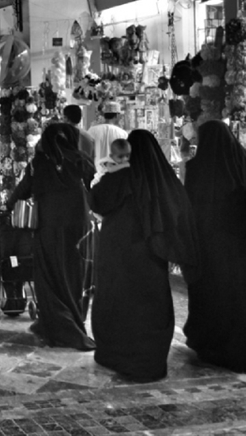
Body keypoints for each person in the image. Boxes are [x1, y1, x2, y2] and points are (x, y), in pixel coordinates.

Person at [90, 130, 200, 382]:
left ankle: (116, 352)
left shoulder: (118, 177)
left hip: (117, 253)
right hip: (150, 257)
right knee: (149, 304)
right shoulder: (161, 178)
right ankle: (150, 356)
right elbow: (179, 210)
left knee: (119, 302)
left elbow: (97, 202)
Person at [183, 120, 246, 372]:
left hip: (209, 248)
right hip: (245, 248)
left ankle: (211, 348)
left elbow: (190, 207)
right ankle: (243, 351)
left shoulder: (197, 168)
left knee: (211, 297)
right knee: (242, 301)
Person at [6, 123, 96, 351]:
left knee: (51, 276)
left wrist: (6, 207)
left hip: (49, 229)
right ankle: (74, 322)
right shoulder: (80, 159)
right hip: (79, 230)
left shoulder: (38, 163)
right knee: (74, 275)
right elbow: (94, 187)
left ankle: (56, 325)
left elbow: (22, 191)